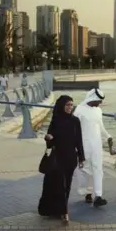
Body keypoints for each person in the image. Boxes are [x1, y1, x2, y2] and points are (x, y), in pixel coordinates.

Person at [38, 95, 85, 224]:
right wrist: (49, 138)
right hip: (57, 157)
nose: (70, 107)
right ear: (61, 106)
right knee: (59, 184)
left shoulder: (75, 121)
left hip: (70, 158)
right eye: (67, 105)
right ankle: (64, 212)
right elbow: (50, 143)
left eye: (71, 105)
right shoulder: (55, 121)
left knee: (67, 185)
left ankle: (60, 210)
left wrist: (81, 158)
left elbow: (78, 141)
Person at [73, 88, 112, 207]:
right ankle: (87, 193)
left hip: (96, 146)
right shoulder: (79, 111)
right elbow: (74, 130)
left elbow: (100, 126)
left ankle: (98, 196)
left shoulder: (98, 111)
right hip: (83, 146)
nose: (99, 104)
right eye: (98, 101)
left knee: (98, 170)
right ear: (92, 99)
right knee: (83, 170)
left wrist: (108, 136)